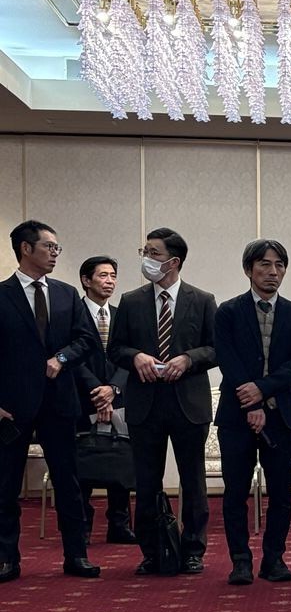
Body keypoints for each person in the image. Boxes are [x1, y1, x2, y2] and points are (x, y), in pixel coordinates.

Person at [110, 227, 218, 575]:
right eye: (144, 251)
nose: (146, 258)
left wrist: (188, 359)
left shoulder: (202, 300)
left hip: (189, 403)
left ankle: (193, 550)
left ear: (174, 261)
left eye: (153, 253)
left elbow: (216, 348)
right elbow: (115, 349)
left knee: (193, 480)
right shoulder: (131, 301)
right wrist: (136, 357)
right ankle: (152, 551)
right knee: (147, 482)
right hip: (145, 404)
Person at [0, 221, 100, 582]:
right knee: (5, 486)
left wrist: (61, 358)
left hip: (59, 402)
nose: (55, 254)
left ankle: (77, 555)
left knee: (68, 483)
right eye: (49, 247)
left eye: (57, 248)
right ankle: (6, 559)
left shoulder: (66, 294)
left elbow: (86, 340)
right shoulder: (2, 295)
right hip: (12, 407)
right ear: (26, 249)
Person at [213, 239, 291, 585]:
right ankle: (240, 560)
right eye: (265, 265)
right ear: (248, 270)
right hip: (236, 415)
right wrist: (252, 402)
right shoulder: (228, 311)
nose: (273, 272)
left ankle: (274, 559)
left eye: (279, 265)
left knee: (281, 492)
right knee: (235, 492)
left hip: (281, 415)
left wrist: (263, 390)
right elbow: (227, 358)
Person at [75, 254, 135, 544]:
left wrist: (113, 389)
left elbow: (129, 355)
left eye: (113, 276)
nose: (109, 281)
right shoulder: (73, 313)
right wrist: (98, 392)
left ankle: (119, 524)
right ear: (86, 280)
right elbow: (72, 357)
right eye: (103, 275)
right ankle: (82, 525)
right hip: (82, 398)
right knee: (82, 462)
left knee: (120, 459)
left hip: (120, 399)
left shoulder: (121, 314)